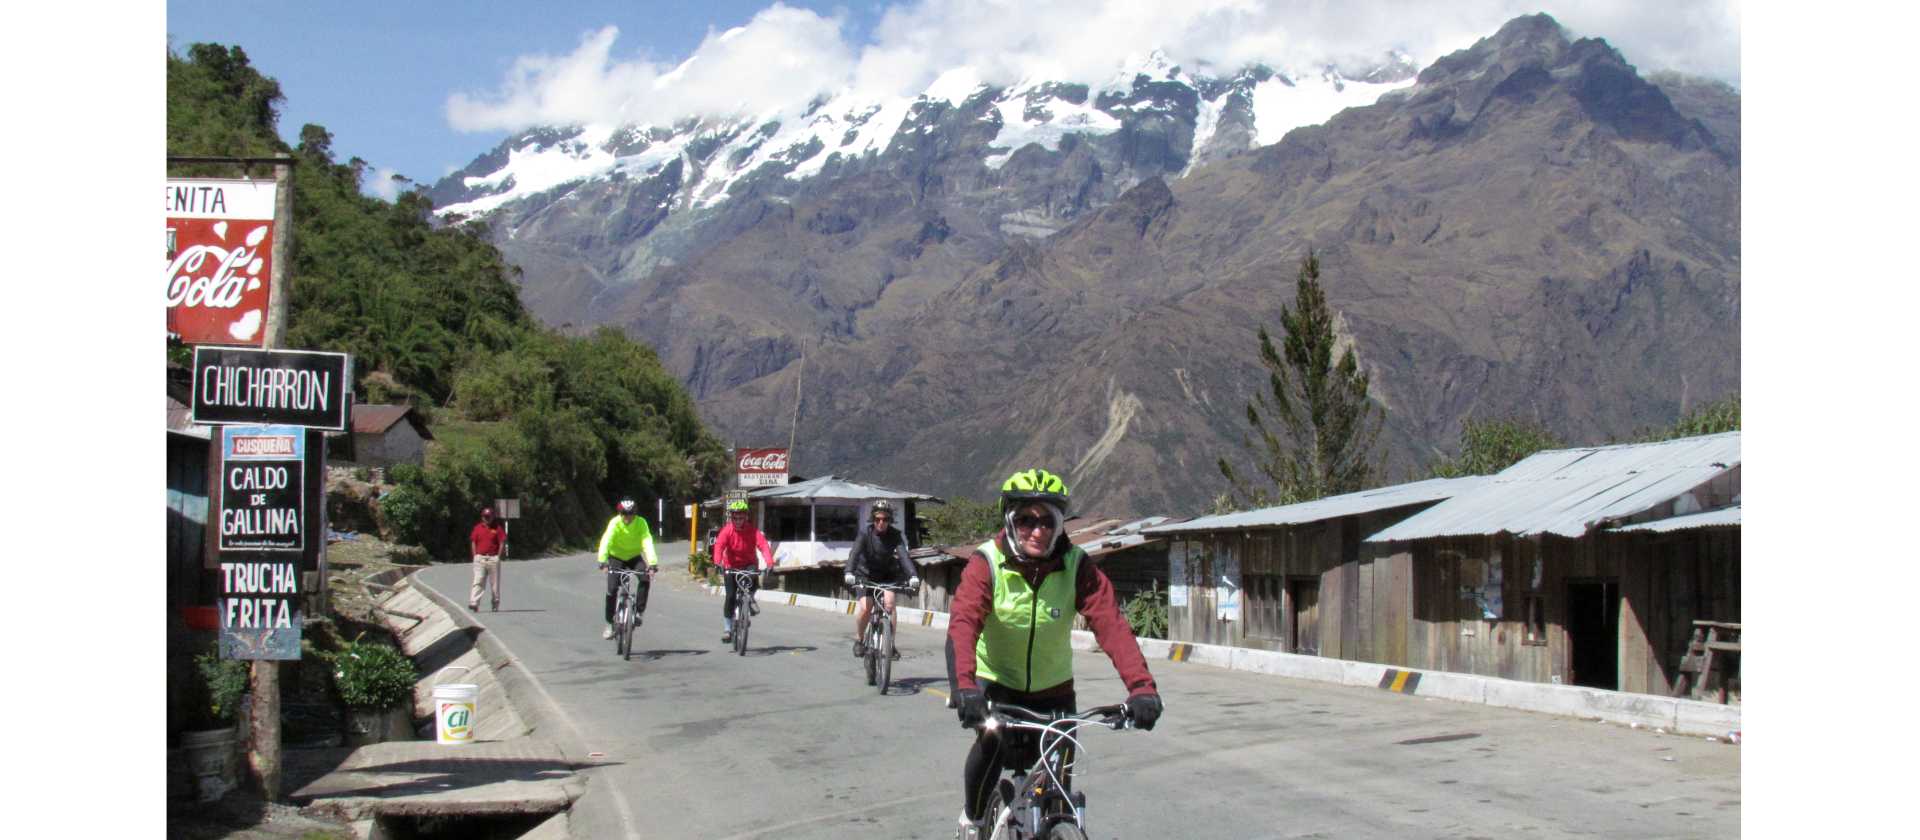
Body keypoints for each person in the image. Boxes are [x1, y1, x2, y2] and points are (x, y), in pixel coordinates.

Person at [946, 469, 1164, 840]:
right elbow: (963, 624)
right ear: (1009, 521)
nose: (1038, 530)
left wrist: (1142, 688)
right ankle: (973, 819)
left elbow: (1112, 626)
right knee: (990, 745)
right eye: (1026, 520)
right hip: (997, 685)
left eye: (1048, 521)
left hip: (1054, 692)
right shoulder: (987, 563)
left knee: (1059, 794)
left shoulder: (1076, 565)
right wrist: (964, 687)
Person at [845, 499, 920, 659]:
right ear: (873, 519)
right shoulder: (865, 533)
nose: (881, 522)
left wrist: (913, 575)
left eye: (885, 519)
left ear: (889, 520)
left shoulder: (895, 535)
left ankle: (890, 644)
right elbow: (854, 554)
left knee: (890, 604)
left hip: (887, 576)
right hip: (865, 575)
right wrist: (849, 572)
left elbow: (904, 557)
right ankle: (860, 640)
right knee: (866, 607)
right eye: (878, 519)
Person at [711, 499, 774, 644]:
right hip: (731, 566)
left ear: (746, 517)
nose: (738, 521)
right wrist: (717, 562)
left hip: (748, 564)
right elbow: (719, 546)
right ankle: (727, 629)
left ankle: (748, 601)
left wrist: (770, 563)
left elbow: (763, 546)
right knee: (730, 596)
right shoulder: (727, 531)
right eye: (735, 518)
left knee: (753, 580)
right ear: (731, 518)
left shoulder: (753, 531)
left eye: (741, 517)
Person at [596, 499, 659, 640]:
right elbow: (606, 540)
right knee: (612, 589)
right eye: (624, 514)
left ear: (635, 514)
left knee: (645, 578)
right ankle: (609, 624)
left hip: (634, 556)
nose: (627, 517)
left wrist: (652, 564)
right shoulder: (615, 523)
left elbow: (647, 541)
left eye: (631, 514)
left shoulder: (641, 523)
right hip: (616, 557)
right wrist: (602, 560)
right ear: (620, 513)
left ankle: (639, 613)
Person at [468, 506, 507, 611]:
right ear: (482, 517)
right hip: (480, 558)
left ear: (493, 517)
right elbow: (473, 542)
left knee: (494, 584)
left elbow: (502, 542)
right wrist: (475, 555)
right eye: (485, 516)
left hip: (493, 558)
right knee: (478, 580)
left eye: (489, 516)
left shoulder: (497, 528)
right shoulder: (478, 528)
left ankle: (495, 603)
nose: (487, 518)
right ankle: (474, 602)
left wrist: (498, 556)